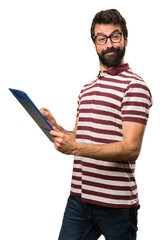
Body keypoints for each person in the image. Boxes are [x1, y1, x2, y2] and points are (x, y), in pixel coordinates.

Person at [41, 8, 152, 240]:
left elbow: (131, 149)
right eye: (101, 38)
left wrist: (75, 148)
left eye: (115, 36)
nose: (109, 44)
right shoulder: (87, 89)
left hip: (117, 207)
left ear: (125, 39)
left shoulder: (135, 87)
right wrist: (56, 127)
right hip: (79, 201)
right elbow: (79, 137)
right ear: (94, 43)